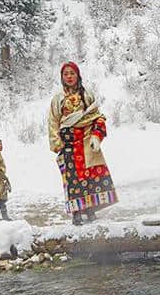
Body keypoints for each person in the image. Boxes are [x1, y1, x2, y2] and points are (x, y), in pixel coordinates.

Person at [48, 61, 118, 226]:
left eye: (72, 73)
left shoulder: (87, 95)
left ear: (78, 75)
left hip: (87, 140)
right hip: (69, 143)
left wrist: (96, 136)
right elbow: (53, 122)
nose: (69, 77)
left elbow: (97, 117)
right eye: (66, 74)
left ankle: (90, 208)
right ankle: (76, 212)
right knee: (72, 179)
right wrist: (57, 143)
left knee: (91, 176)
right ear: (62, 77)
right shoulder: (58, 98)